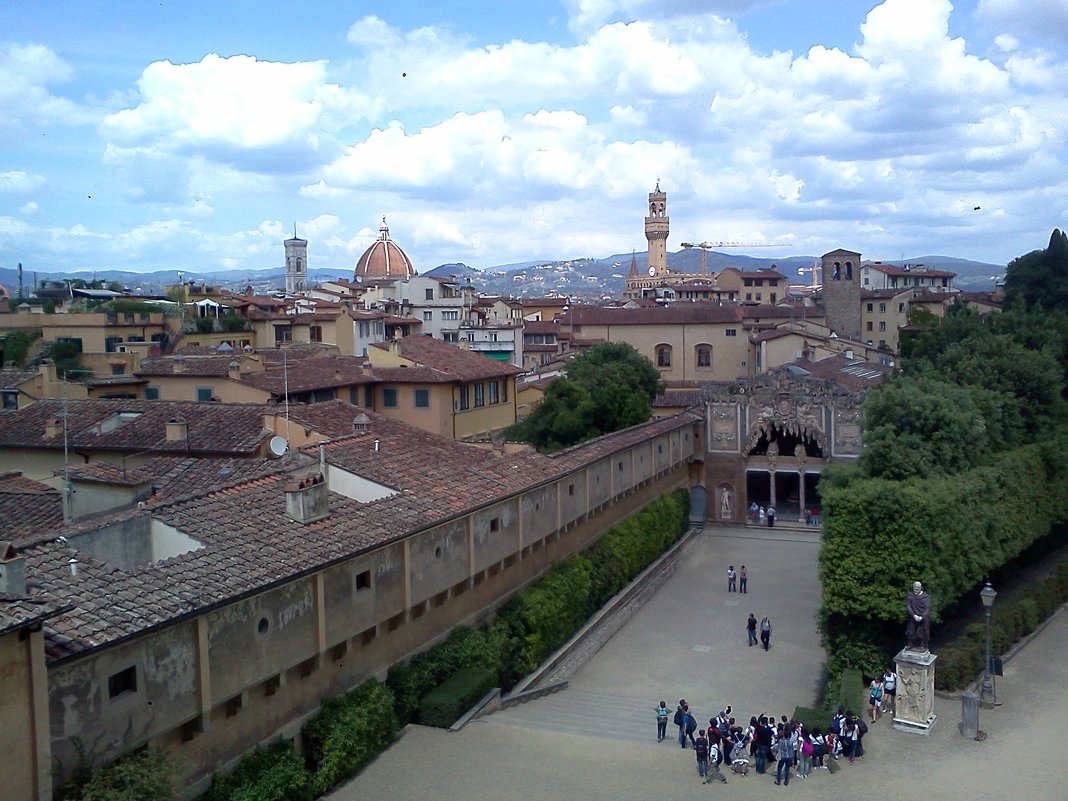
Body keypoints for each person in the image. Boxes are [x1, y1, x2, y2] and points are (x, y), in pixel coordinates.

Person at [905, 580, 932, 651]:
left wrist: (922, 617)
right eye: (914, 588)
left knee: (922, 632)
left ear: (920, 588)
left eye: (917, 588)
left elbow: (927, 608)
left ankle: (922, 645)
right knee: (911, 631)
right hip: (913, 617)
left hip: (922, 618)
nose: (916, 590)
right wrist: (914, 615)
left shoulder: (926, 597)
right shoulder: (910, 595)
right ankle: (910, 644)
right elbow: (908, 606)